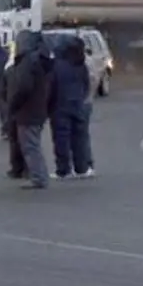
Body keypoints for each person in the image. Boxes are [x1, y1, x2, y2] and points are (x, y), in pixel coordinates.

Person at [6, 30, 54, 190]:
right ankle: (39, 175)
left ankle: (39, 178)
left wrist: (14, 104)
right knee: (33, 144)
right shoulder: (39, 60)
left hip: (27, 110)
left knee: (30, 145)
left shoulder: (27, 62)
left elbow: (24, 87)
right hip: (38, 108)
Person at [49, 35, 91, 180]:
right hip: (78, 105)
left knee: (61, 139)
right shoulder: (81, 64)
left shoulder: (56, 65)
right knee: (79, 138)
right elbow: (86, 85)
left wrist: (49, 105)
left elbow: (51, 86)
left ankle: (64, 169)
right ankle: (82, 168)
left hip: (60, 106)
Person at [82, 46, 99, 177]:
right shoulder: (88, 61)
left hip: (82, 102)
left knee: (80, 134)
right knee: (81, 134)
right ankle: (84, 164)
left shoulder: (84, 62)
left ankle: (86, 164)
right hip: (86, 101)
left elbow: (92, 80)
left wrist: (87, 96)